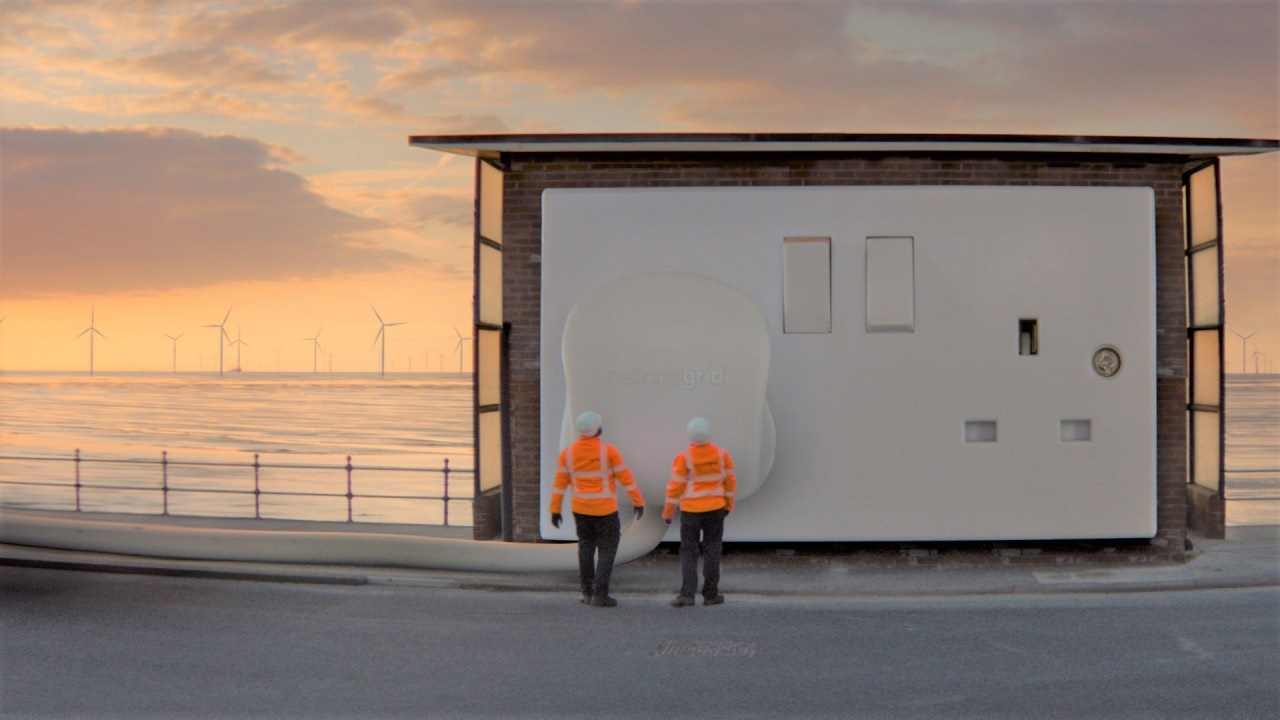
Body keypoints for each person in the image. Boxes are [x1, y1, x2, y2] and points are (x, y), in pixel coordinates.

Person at [549, 410, 645, 607]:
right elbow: (625, 478)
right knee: (607, 550)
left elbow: (559, 484)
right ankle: (600, 594)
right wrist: (638, 501)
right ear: (598, 429)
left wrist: (555, 510)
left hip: (581, 510)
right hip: (605, 511)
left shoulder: (568, 453)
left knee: (585, 547)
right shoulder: (608, 452)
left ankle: (586, 592)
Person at [663, 417, 736, 607]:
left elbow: (675, 487)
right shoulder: (722, 454)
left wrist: (668, 512)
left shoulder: (684, 457)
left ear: (690, 436)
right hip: (715, 509)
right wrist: (728, 505)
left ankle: (687, 595)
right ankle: (711, 595)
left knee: (689, 551)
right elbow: (730, 483)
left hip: (690, 511)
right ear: (709, 434)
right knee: (712, 550)